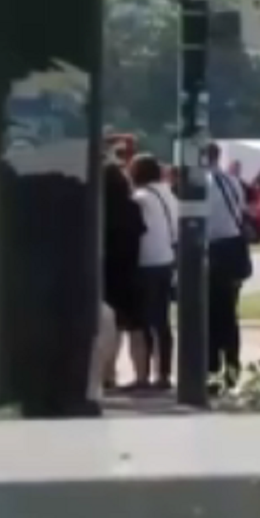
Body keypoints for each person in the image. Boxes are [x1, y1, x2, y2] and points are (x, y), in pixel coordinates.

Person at [129, 154, 179, 390]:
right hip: (166, 259)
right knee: (162, 321)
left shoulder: (140, 198)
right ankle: (164, 373)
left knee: (144, 320)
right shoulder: (169, 193)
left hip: (146, 260)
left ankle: (145, 374)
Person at [206, 142, 251, 388]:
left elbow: (203, 221)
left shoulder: (203, 184)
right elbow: (241, 211)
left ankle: (212, 367)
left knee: (211, 315)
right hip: (235, 248)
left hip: (215, 249)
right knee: (230, 313)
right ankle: (232, 365)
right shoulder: (232, 181)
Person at [101, 162, 145, 391]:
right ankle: (141, 375)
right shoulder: (133, 207)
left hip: (106, 271)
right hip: (131, 269)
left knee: (109, 327)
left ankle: (108, 374)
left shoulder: (98, 208)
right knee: (135, 326)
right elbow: (141, 232)